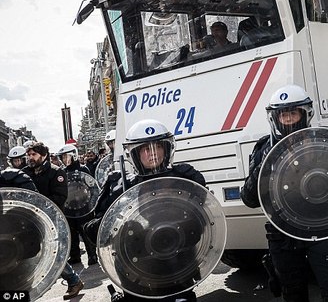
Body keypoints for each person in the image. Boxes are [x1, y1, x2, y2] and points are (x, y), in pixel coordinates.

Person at [241, 84, 328, 302]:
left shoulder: (326, 142)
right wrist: (265, 164)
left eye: (293, 113)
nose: (289, 120)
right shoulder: (264, 148)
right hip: (283, 234)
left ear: (304, 114)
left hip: (321, 227)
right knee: (293, 295)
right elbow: (249, 199)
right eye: (283, 115)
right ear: (275, 118)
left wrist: (324, 178)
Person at [85, 119, 205, 301]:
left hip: (178, 269)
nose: (153, 154)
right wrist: (117, 222)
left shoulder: (185, 178)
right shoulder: (118, 186)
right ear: (134, 154)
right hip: (136, 274)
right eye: (145, 149)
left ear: (167, 148)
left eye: (157, 147)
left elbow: (202, 221)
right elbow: (95, 232)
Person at [24, 141, 84, 299]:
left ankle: (73, 280)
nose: (30, 157)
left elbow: (59, 197)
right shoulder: (25, 173)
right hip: (29, 220)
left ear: (43, 155)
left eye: (33, 154)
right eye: (28, 155)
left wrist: (36, 203)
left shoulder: (56, 172)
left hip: (51, 219)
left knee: (53, 253)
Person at [57, 143, 98, 266]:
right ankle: (75, 256)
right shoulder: (62, 172)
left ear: (73, 156)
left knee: (85, 231)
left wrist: (91, 205)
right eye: (62, 157)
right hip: (69, 207)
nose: (65, 160)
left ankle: (92, 254)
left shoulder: (83, 169)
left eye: (66, 156)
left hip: (84, 205)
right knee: (71, 232)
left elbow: (92, 187)